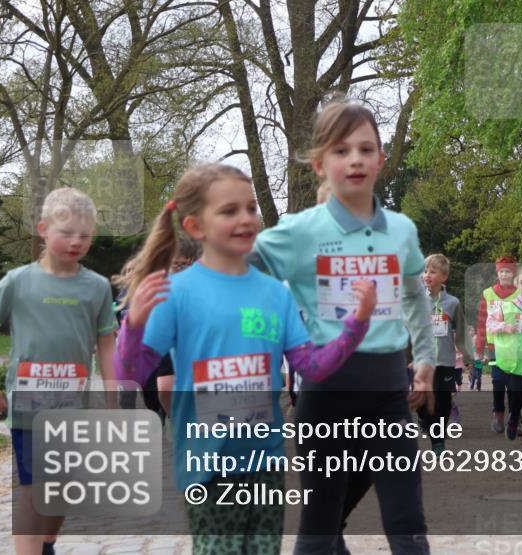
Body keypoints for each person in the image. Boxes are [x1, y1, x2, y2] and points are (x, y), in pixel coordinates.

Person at [113, 163, 373, 555]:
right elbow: (130, 372)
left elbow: (312, 367)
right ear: (195, 226)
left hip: (266, 465)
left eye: (251, 208)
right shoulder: (177, 292)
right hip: (208, 468)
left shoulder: (276, 294)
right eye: (229, 210)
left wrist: (357, 323)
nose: (246, 218)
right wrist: (132, 326)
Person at [249, 98, 436, 555]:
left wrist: (426, 359)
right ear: (319, 164)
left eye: (366, 149)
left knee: (407, 522)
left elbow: (415, 294)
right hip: (325, 399)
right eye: (341, 150)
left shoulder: (402, 231)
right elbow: (234, 275)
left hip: (388, 397)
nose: (355, 159)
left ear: (380, 160)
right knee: (320, 525)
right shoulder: (298, 232)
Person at [0, 187, 118, 555]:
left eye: (85, 235)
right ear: (43, 229)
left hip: (72, 408)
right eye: (67, 233)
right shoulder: (18, 282)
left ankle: (46, 543)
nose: (76, 241)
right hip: (28, 407)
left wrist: (114, 397)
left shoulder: (97, 287)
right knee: (33, 490)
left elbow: (106, 344)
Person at [419, 253, 472, 453]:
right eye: (425, 271)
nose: (427, 275)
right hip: (421, 361)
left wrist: (468, 356)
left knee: (443, 401)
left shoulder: (452, 303)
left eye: (432, 271)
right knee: (422, 401)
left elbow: (462, 331)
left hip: (445, 362)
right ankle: (424, 419)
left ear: (444, 277)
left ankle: (438, 442)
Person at [487, 264, 522, 448]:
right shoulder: (507, 307)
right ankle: (513, 419)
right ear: (517, 284)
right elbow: (490, 324)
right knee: (516, 397)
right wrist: (505, 327)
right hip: (515, 362)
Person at [476, 255, 519, 433]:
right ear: (497, 273)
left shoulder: (520, 293)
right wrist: (479, 347)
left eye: (508, 271)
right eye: (502, 271)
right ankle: (498, 413)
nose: (504, 274)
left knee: (515, 383)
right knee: (498, 381)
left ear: (513, 273)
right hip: (495, 345)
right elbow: (482, 321)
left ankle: (515, 415)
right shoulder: (488, 293)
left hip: (516, 346)